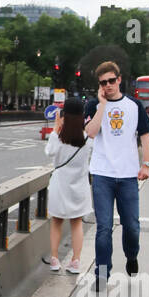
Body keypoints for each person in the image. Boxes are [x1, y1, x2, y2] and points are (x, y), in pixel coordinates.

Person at [84, 61, 149, 286]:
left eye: (111, 81)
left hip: (127, 176)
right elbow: (91, 133)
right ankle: (102, 274)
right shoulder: (94, 105)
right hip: (102, 174)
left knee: (131, 225)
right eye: (103, 83)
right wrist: (102, 105)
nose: (108, 85)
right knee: (103, 227)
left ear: (119, 80)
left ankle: (132, 256)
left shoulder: (134, 105)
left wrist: (147, 164)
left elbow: (145, 136)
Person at [41, 97, 93, 274]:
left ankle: (55, 259)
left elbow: (49, 152)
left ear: (65, 115)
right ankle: (75, 261)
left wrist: (56, 128)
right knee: (76, 223)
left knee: (56, 222)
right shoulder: (87, 138)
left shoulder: (59, 136)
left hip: (59, 185)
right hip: (79, 186)